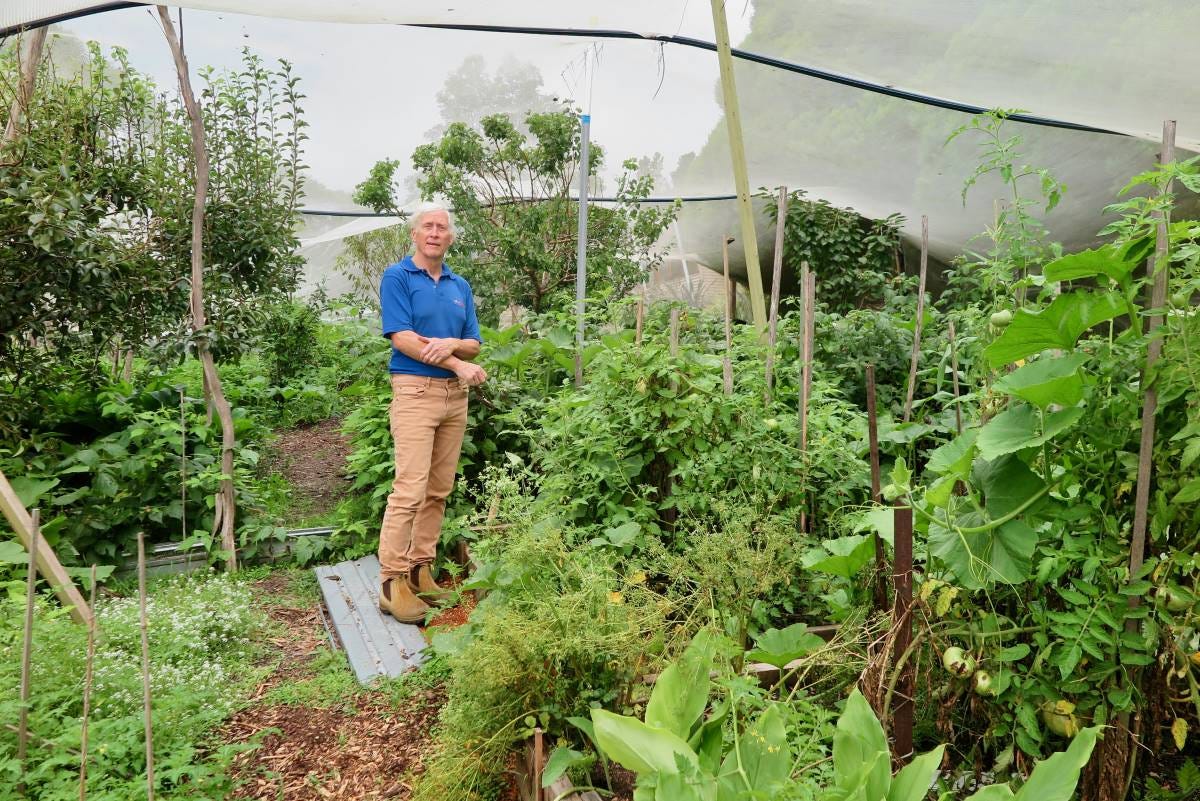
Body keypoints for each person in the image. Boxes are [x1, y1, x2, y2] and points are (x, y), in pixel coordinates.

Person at [377, 201, 487, 622]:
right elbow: (401, 337)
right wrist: (457, 361)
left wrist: (452, 346)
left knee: (438, 490)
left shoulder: (460, 285)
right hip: (415, 392)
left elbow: (474, 341)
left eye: (443, 227)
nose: (436, 233)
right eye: (428, 226)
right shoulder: (398, 277)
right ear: (415, 234)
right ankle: (392, 583)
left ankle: (421, 571)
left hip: (453, 398)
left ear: (451, 237)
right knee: (409, 490)